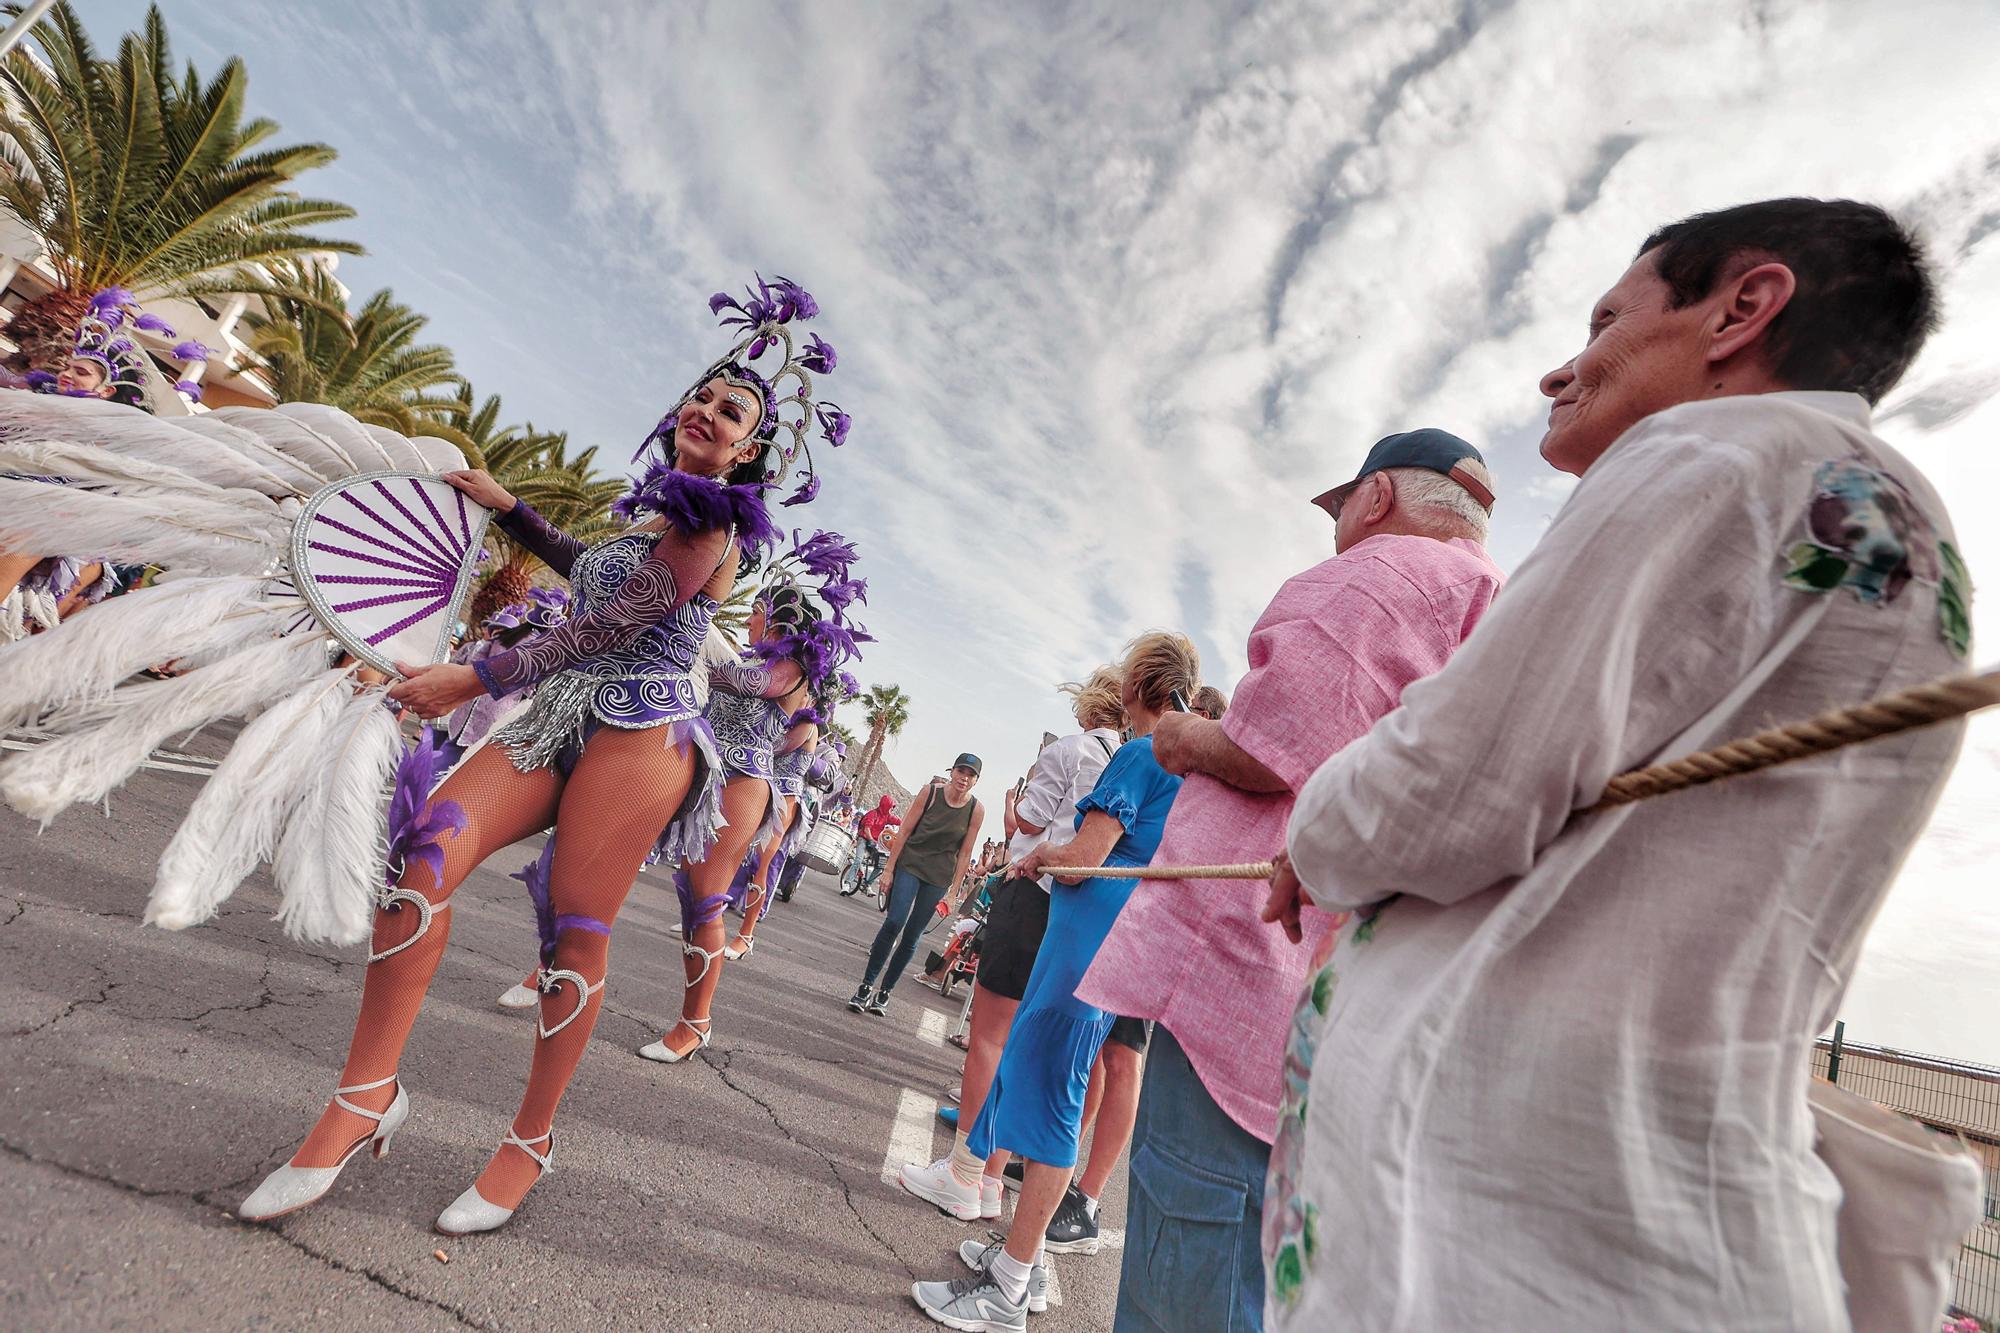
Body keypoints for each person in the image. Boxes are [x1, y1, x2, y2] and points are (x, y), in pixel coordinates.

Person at [1259, 199, 1972, 1329]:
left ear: (1742, 307)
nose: (1558, 370)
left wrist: (1314, 833)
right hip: (1666, 1196)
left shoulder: (1715, 450)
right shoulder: (1912, 537)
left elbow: (1444, 795)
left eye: (1604, 319)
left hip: (1513, 1218)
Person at [235, 274, 848, 1233]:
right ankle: (363, 1102)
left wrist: (474, 679)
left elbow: (616, 621)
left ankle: (529, 1141)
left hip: (643, 737)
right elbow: (585, 568)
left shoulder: (713, 524)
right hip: (559, 714)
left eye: (734, 411)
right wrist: (508, 506)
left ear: (751, 447)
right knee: (421, 861)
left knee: (574, 941)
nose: (709, 411)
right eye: (703, 394)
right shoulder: (652, 512)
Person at [1076, 430, 1504, 1329]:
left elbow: (1282, 748)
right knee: (1261, 1270)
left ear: (1378, 494)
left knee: (1186, 1268)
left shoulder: (1378, 572)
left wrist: (1188, 741)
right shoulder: (1490, 606)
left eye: (1343, 502)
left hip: (1249, 972)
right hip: (1344, 1007)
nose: (1339, 525)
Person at [911, 633, 1198, 1331]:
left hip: (1081, 948)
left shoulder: (1141, 752)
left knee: (1050, 1100)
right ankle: (1025, 1261)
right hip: (1110, 947)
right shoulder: (1184, 766)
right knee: (1054, 1090)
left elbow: (1086, 858)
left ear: (1137, 686)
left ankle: (1007, 1287)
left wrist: (1038, 855)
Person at [900, 667, 1122, 1222]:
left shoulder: (1071, 751)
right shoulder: (1127, 760)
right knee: (1022, 1046)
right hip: (1075, 911)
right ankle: (991, 1180)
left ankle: (962, 1174)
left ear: (1091, 704)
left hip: (1033, 891)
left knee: (991, 1038)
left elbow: (1029, 820)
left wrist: (1017, 801)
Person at [643, 538, 866, 1060]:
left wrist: (695, 641)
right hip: (695, 773)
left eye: (757, 614)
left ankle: (694, 1023)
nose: (749, 623)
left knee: (704, 903)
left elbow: (749, 682)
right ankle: (553, 967)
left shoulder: (792, 674)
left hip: (745, 785)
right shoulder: (746, 654)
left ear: (774, 619)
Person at [847, 755, 984, 1016]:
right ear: (952, 771)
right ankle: (866, 985)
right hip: (910, 866)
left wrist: (954, 892)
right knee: (894, 922)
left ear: (976, 780)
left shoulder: (976, 810)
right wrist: (888, 870)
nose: (964, 778)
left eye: (970, 774)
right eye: (960, 771)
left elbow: (965, 854)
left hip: (938, 878)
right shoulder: (930, 793)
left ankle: (885, 991)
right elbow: (906, 830)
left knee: (912, 936)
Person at [842, 793, 901, 896]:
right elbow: (867, 828)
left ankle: (867, 884)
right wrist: (871, 839)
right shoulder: (872, 814)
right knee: (858, 860)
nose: (891, 810)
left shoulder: (888, 816)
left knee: (880, 865)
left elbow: (900, 822)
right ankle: (847, 884)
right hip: (863, 839)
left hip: (875, 842)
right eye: (890, 807)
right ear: (885, 806)